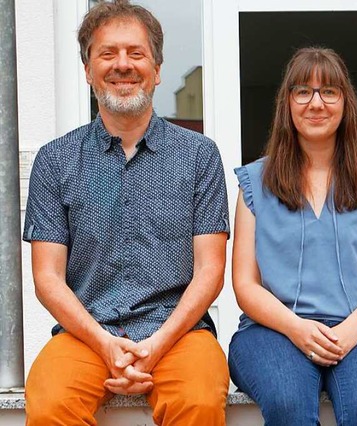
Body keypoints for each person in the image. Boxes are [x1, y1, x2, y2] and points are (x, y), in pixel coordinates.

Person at [22, 1, 230, 424]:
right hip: (84, 332)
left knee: (200, 403)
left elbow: (211, 270)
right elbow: (47, 277)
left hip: (180, 333)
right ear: (87, 69)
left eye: (136, 54)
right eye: (107, 53)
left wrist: (156, 344)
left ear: (157, 69)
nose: (123, 65)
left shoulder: (199, 156)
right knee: (49, 406)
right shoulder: (55, 160)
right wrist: (103, 343)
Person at [228, 47, 357, 425]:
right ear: (287, 103)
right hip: (273, 330)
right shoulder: (254, 182)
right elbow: (245, 285)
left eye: (329, 92)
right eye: (303, 92)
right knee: (288, 407)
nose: (316, 103)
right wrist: (296, 328)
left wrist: (349, 331)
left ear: (346, 103)